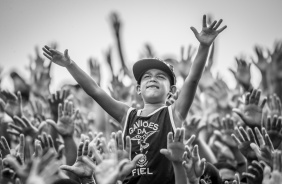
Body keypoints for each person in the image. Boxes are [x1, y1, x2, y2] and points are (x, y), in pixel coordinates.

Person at [42, 14, 226, 184]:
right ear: (138, 89)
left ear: (171, 91)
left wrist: (204, 46)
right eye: (147, 77)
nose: (153, 78)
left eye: (160, 77)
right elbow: (95, 91)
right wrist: (70, 65)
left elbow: (193, 79)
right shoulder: (127, 115)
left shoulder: (174, 113)